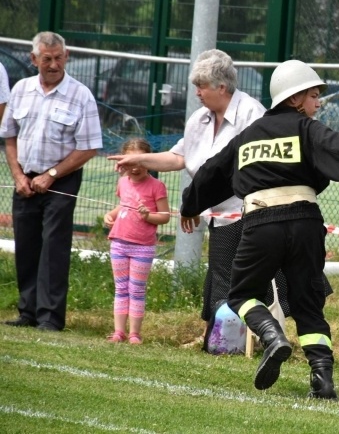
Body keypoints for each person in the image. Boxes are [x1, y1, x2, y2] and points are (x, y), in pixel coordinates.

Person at [180, 59, 339, 399]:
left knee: (241, 294)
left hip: (261, 223)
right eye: (313, 95)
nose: (318, 102)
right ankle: (322, 380)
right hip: (307, 224)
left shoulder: (247, 137)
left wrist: (190, 205)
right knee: (308, 304)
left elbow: (211, 173)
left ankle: (273, 337)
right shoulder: (307, 129)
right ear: (295, 99)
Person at [109, 49, 294, 352]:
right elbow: (179, 157)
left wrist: (196, 201)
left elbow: (254, 168)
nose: (196, 92)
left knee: (256, 278)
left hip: (252, 212)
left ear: (222, 87)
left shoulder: (252, 113)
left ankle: (263, 338)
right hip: (218, 216)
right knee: (220, 277)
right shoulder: (199, 118)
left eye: (201, 86)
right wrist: (139, 158)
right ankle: (218, 338)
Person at [0, 31, 103, 331]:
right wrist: (18, 175)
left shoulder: (81, 95)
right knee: (27, 245)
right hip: (25, 180)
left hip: (62, 180)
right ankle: (27, 312)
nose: (54, 65)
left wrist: (52, 175)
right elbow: (9, 137)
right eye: (47, 59)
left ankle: (50, 318)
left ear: (67, 56)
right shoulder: (21, 89)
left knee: (54, 248)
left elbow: (89, 147)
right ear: (34, 59)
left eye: (59, 58)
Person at [103, 138, 170, 344]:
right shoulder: (122, 182)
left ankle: (134, 333)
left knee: (137, 290)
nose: (135, 168)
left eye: (139, 162)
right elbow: (123, 205)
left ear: (148, 161)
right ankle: (119, 332)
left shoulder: (157, 186)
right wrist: (110, 215)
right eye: (130, 163)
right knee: (121, 288)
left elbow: (165, 216)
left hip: (142, 247)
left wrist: (147, 216)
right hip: (119, 243)